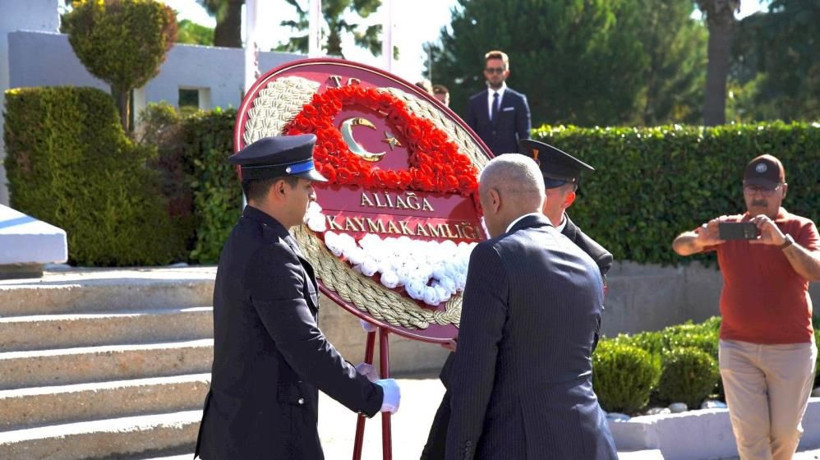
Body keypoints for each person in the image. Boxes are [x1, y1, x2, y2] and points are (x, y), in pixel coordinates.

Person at [195, 134, 400, 460]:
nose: (313, 194)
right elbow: (304, 345)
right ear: (280, 190)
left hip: (251, 431)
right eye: (306, 187)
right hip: (264, 440)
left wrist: (350, 371)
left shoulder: (255, 236)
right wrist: (372, 396)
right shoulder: (269, 252)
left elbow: (283, 340)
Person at [421, 140, 613, 460]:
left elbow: (474, 377)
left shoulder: (493, 256)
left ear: (493, 200)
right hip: (589, 439)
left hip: (518, 442)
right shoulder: (587, 262)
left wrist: (460, 451)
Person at [671, 154, 819, 460]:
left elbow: (816, 271)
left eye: (767, 188)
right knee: (751, 436)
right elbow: (680, 245)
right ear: (743, 189)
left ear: (783, 190)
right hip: (737, 347)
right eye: (753, 188)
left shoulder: (800, 227)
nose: (759, 195)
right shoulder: (730, 227)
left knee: (785, 435)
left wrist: (783, 243)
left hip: (792, 348)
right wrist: (701, 240)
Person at [520, 139, 613, 277]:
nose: (531, 198)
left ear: (568, 199)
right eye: (528, 190)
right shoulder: (501, 231)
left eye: (543, 193)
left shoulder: (591, 258)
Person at [465, 50, 531, 156]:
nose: (494, 74)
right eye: (491, 70)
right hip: (482, 165)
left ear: (506, 72)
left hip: (510, 165)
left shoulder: (518, 100)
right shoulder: (475, 102)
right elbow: (469, 137)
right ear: (485, 73)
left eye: (499, 70)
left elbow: (525, 138)